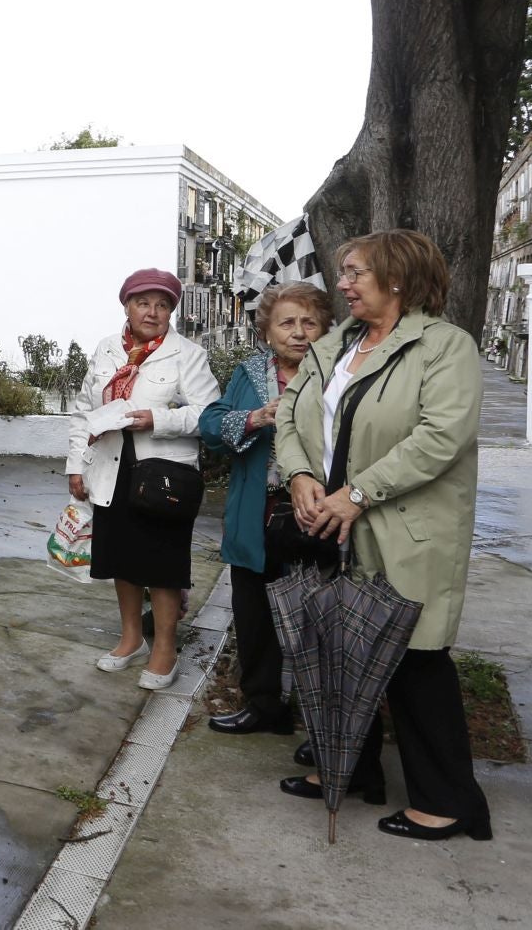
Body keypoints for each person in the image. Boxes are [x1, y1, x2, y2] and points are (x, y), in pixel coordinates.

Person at [275, 229, 492, 841]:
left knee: (415, 659)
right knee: (334, 644)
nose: (341, 284)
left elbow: (440, 437)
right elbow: (293, 416)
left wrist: (357, 492)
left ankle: (449, 801)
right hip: (327, 522)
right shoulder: (336, 345)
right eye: (343, 273)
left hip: (404, 529)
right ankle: (351, 769)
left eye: (354, 273)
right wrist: (297, 475)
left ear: (396, 277)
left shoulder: (445, 347)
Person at [67, 269, 221, 690]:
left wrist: (159, 419)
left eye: (162, 304)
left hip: (163, 475)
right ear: (127, 306)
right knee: (122, 560)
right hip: (111, 467)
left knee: (162, 564)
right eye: (143, 302)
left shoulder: (187, 354)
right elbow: (84, 409)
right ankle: (131, 639)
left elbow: (210, 414)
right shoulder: (106, 350)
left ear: (171, 310)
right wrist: (75, 465)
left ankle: (164, 649)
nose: (152, 312)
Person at [199, 282, 334, 737]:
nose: (298, 333)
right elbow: (211, 427)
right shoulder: (250, 372)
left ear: (324, 328)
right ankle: (264, 706)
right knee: (254, 615)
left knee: (319, 618)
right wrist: (256, 417)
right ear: (268, 331)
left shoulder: (337, 373)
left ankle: (322, 718)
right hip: (256, 514)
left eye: (308, 322)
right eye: (287, 323)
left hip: (318, 515)